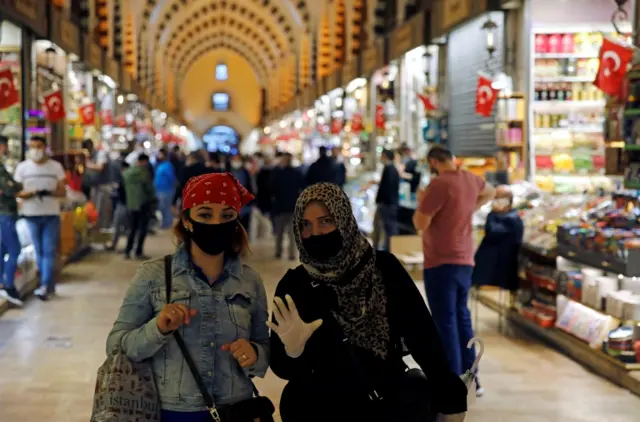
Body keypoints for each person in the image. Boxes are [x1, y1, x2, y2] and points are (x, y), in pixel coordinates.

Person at [269, 183, 468, 422]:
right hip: (319, 408)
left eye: (325, 221)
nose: (316, 233)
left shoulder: (383, 269)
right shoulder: (295, 286)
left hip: (387, 406)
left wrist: (450, 396)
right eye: (306, 225)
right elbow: (282, 368)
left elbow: (423, 337)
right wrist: (293, 352)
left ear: (343, 220)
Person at [106, 172, 270, 422]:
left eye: (226, 216)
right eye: (205, 214)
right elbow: (117, 346)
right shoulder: (154, 275)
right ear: (187, 220)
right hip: (173, 413)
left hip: (236, 411)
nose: (216, 223)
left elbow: (264, 351)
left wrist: (255, 354)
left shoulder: (249, 281)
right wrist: (158, 328)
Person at [412, 146, 495, 392]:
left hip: (440, 260)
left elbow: (420, 222)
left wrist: (421, 201)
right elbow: (490, 191)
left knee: (444, 321)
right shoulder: (470, 179)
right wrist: (468, 209)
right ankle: (472, 376)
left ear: (434, 162)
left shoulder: (438, 185)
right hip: (464, 259)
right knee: (462, 317)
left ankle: (452, 378)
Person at [14, 136, 66, 301]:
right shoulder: (22, 168)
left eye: (39, 146)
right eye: (32, 146)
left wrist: (49, 192)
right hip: (31, 215)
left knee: (49, 250)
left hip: (51, 215)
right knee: (39, 251)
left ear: (45, 147)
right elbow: (17, 192)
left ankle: (45, 285)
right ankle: (47, 285)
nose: (36, 150)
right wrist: (30, 193)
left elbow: (62, 191)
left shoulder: (56, 167)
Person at [473, 185, 524, 293]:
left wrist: (494, 215)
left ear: (508, 200)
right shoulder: (497, 216)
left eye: (499, 197)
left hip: (500, 275)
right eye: (495, 197)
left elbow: (493, 232)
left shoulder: (512, 219)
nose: (496, 200)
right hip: (489, 273)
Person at [0, 136, 23, 306]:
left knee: (2, 248)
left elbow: (12, 186)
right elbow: (10, 188)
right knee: (14, 249)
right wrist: (13, 187)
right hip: (5, 213)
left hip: (7, 212)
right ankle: (8, 285)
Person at [270, 153, 304, 260]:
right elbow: (303, 188)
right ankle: (292, 254)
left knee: (279, 233)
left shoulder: (277, 174)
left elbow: (270, 189)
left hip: (280, 207)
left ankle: (278, 252)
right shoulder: (297, 173)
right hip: (293, 207)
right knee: (292, 234)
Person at [122, 153, 156, 260]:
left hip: (131, 204)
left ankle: (127, 251)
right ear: (144, 161)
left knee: (132, 228)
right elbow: (149, 189)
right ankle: (138, 252)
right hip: (143, 204)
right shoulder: (143, 173)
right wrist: (153, 198)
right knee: (142, 229)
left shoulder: (127, 173)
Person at [372, 149, 400, 251]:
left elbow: (387, 188)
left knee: (389, 228)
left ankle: (391, 249)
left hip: (387, 204)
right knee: (384, 228)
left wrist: (382, 201)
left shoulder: (390, 169)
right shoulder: (391, 169)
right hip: (388, 203)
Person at [107, 162, 130, 251]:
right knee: (127, 227)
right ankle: (129, 246)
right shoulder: (128, 178)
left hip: (122, 205)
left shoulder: (124, 178)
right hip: (128, 205)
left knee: (118, 225)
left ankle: (114, 244)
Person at [154, 148, 177, 229]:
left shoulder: (167, 165)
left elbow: (171, 178)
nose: (158, 155)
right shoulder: (160, 165)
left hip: (166, 190)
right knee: (162, 207)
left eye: (160, 154)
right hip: (160, 190)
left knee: (165, 207)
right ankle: (165, 223)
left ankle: (167, 223)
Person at [230, 155, 254, 233]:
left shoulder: (245, 172)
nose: (236, 162)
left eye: (238, 160)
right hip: (232, 205)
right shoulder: (228, 172)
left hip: (245, 206)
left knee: (245, 228)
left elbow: (250, 187)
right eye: (235, 160)